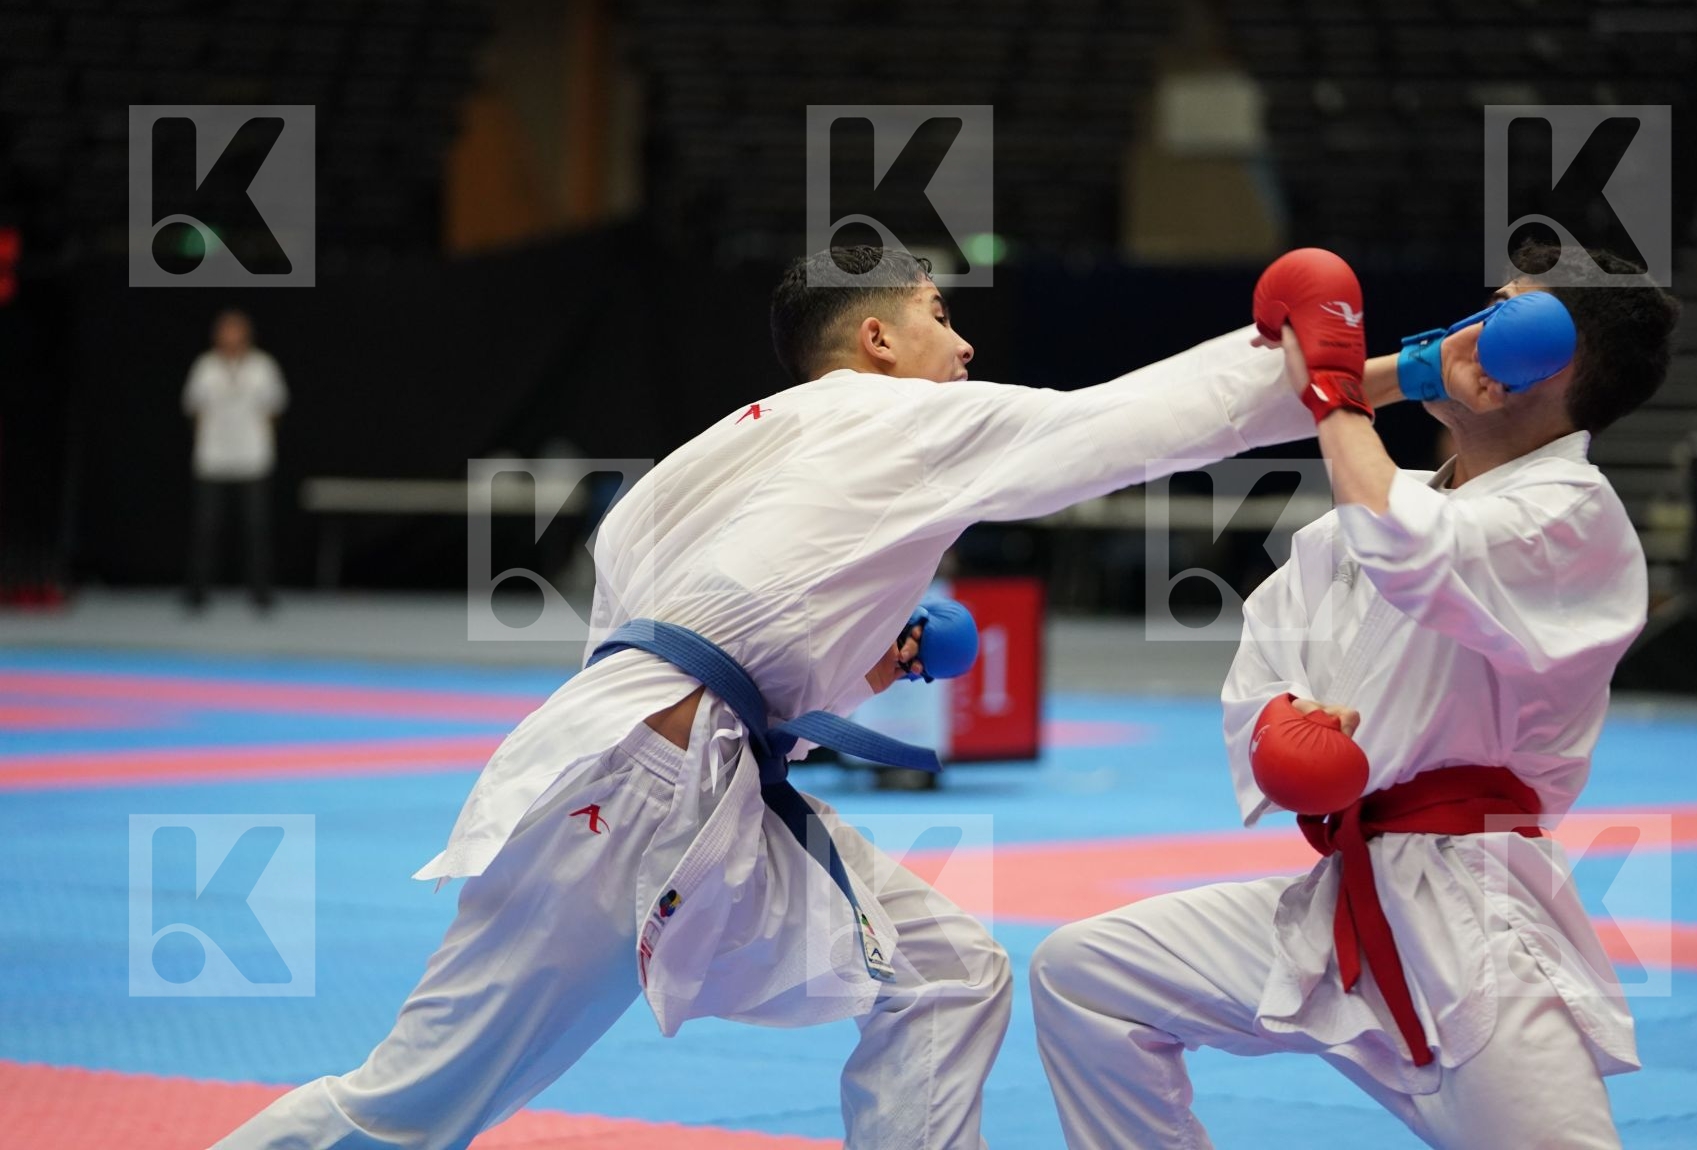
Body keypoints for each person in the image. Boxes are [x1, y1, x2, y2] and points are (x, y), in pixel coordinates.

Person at [212, 245, 1318, 1150]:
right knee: (410, 1106)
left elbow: (689, 627)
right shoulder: (908, 421)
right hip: (640, 802)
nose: (966, 341)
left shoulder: (719, 449)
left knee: (949, 972)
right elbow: (1130, 425)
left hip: (663, 771)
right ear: (877, 338)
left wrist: (863, 658)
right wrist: (1368, 371)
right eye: (940, 313)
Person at [1030, 242, 1680, 1150]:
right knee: (1084, 975)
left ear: (1540, 358)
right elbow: (1269, 653)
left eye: (1495, 316)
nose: (1464, 331)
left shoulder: (1573, 515)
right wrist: (1279, 727)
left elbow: (1417, 550)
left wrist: (1341, 391)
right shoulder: (1362, 519)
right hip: (1342, 905)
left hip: (1473, 928)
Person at [182, 308, 287, 612]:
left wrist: (256, 438)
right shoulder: (205, 367)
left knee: (256, 528)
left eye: (236, 331)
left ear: (247, 335)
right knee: (205, 528)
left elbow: (275, 408)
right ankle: (197, 593)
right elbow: (194, 409)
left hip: (252, 459)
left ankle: (261, 593)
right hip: (212, 458)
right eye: (225, 331)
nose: (230, 337)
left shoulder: (263, 367)